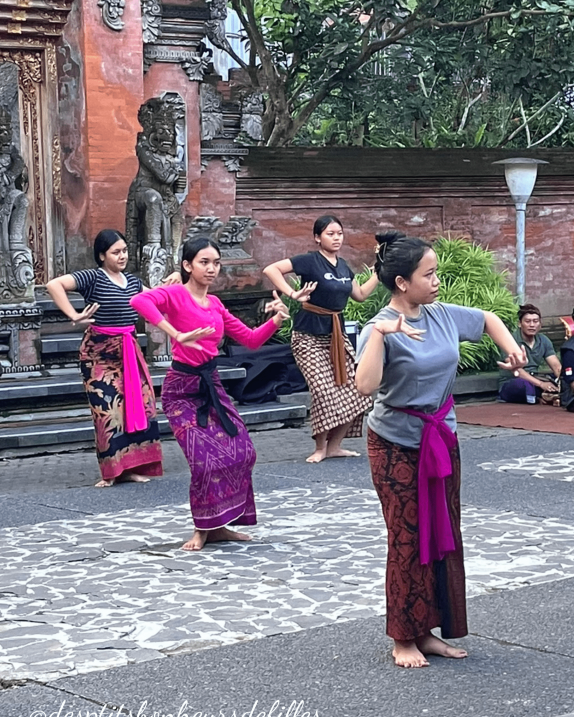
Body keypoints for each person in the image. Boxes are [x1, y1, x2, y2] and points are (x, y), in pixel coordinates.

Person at [356, 230, 525, 669]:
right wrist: (380, 336)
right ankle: (403, 637)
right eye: (428, 275)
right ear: (401, 283)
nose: (436, 282)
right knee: (407, 536)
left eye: (436, 273)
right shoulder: (379, 328)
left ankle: (428, 630)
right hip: (394, 443)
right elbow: (365, 385)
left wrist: (512, 348)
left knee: (442, 532)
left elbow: (488, 318)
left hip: (441, 437)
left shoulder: (443, 315)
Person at [131, 237, 289, 551]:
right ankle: (202, 528)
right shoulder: (176, 294)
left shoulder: (215, 304)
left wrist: (276, 320)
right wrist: (176, 334)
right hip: (181, 390)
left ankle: (220, 526)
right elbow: (139, 302)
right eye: (204, 262)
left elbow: (250, 340)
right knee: (204, 462)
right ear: (187, 265)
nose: (211, 268)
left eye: (216, 262)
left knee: (243, 451)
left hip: (211, 385)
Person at [45, 230, 163, 488]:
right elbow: (53, 285)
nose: (122, 256)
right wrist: (74, 314)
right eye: (116, 252)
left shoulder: (133, 282)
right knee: (107, 411)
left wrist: (173, 286)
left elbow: (157, 299)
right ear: (102, 255)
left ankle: (132, 468)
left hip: (128, 351)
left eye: (125, 251)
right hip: (98, 354)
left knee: (140, 405)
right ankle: (112, 471)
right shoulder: (93, 277)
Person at [263, 214, 378, 463]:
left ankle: (334, 446)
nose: (336, 238)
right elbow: (271, 269)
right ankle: (319, 447)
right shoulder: (309, 261)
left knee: (357, 391)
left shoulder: (343, 266)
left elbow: (359, 295)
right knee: (323, 391)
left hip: (336, 336)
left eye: (339, 234)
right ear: (317, 237)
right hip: (308, 337)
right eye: (330, 234)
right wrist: (292, 293)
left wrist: (379, 273)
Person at [497, 303, 560, 404]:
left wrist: (562, 382)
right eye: (527, 321)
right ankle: (540, 398)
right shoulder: (510, 340)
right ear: (519, 324)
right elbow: (517, 371)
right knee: (525, 385)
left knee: (559, 378)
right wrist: (541, 384)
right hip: (514, 381)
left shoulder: (544, 340)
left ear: (540, 324)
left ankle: (550, 396)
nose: (532, 325)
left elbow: (556, 366)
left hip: (535, 378)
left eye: (535, 321)